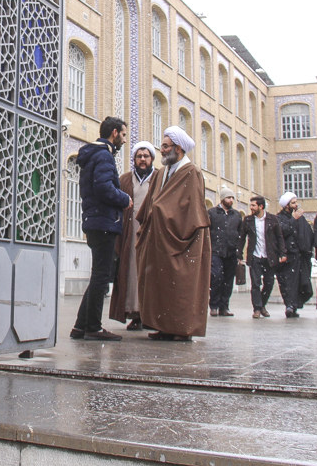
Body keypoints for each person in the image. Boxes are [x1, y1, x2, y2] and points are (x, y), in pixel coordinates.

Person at [135, 126, 211, 341]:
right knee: (161, 284)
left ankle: (182, 329)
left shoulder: (191, 172)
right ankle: (164, 326)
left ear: (178, 149)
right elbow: (151, 202)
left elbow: (190, 208)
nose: (162, 150)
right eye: (162, 146)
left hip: (182, 239)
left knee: (181, 285)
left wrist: (160, 211)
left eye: (166, 146)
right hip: (159, 239)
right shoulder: (162, 173)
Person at [70, 116, 132, 342]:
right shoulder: (104, 155)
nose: (124, 140)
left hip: (94, 221)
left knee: (97, 275)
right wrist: (124, 199)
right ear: (114, 133)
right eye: (123, 135)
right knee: (101, 276)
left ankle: (80, 326)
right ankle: (93, 327)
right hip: (104, 222)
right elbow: (104, 188)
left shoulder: (94, 154)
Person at [110, 141, 157, 330]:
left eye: (146, 156)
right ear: (134, 159)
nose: (143, 160)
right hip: (130, 235)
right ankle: (135, 314)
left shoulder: (160, 179)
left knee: (152, 273)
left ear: (152, 158)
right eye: (139, 156)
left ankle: (152, 315)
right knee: (132, 274)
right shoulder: (125, 180)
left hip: (153, 235)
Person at [242, 196, 285, 318]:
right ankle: (257, 308)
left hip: (269, 256)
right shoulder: (248, 220)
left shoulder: (272, 219)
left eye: (253, 205)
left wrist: (282, 253)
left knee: (269, 283)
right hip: (255, 256)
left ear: (261, 206)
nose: (251, 208)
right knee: (255, 284)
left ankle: (262, 304)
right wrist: (239, 253)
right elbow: (242, 237)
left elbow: (279, 237)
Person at [208, 187, 244, 317]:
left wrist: (239, 253)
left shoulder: (236, 215)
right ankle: (214, 305)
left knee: (228, 280)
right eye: (229, 198)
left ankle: (224, 306)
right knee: (216, 277)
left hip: (231, 252)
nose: (231, 200)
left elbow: (240, 234)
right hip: (216, 251)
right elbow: (207, 232)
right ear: (223, 199)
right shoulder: (212, 213)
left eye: (232, 198)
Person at [275, 192, 304, 318]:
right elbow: (282, 231)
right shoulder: (279, 218)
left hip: (296, 254)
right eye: (293, 203)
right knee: (286, 281)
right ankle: (289, 305)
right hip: (285, 254)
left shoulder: (298, 217)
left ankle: (294, 305)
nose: (296, 205)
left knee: (296, 282)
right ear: (286, 205)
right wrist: (293, 219)